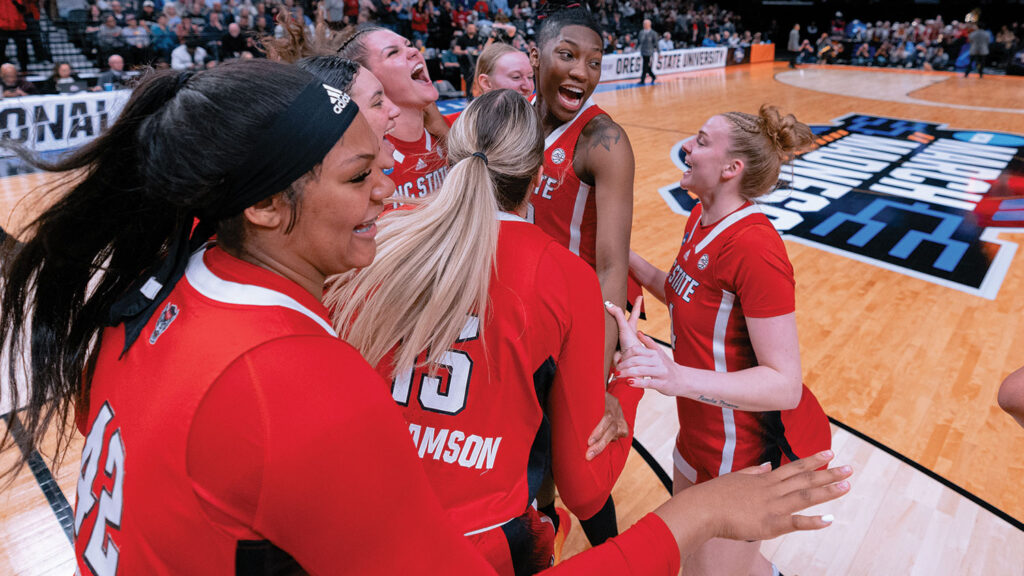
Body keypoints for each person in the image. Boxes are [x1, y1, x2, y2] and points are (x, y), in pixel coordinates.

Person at [0, 58, 853, 576]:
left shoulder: (148, 291)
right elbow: (585, 479)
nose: (389, 192)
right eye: (358, 174)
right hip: (489, 530)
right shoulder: (291, 383)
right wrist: (697, 513)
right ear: (261, 204)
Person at [328, 88, 642, 574]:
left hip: (352, 532)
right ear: (536, 179)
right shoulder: (562, 275)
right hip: (478, 550)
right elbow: (583, 487)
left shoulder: (382, 235)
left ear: (449, 157)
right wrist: (629, 384)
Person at [610, 105, 833, 576]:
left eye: (702, 141)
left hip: (745, 451)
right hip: (699, 431)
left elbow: (784, 384)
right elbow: (679, 291)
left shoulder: (755, 248)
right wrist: (614, 250)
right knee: (702, 562)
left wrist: (675, 375)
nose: (688, 148)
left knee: (709, 572)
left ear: (732, 169)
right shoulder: (699, 218)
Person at [527, 0, 639, 550]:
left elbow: (613, 263)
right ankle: (540, 532)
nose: (582, 72)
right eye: (568, 56)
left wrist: (596, 379)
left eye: (594, 62)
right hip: (522, 313)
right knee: (528, 453)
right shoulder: (514, 119)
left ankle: (616, 556)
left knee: (579, 472)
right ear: (535, 56)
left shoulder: (605, 142)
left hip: (577, 323)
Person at [336, 24, 448, 202]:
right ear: (369, 79)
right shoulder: (361, 169)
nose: (413, 51)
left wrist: (449, 138)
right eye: (393, 53)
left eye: (409, 44)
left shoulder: (455, 131)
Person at [637, 18, 658, 84]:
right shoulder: (641, 32)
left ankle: (642, 79)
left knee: (645, 65)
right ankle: (653, 76)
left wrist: (659, 52)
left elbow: (656, 43)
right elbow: (639, 42)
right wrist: (635, 48)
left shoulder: (653, 33)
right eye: (643, 23)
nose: (644, 25)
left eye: (645, 24)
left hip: (650, 52)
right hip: (643, 51)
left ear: (649, 24)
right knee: (647, 66)